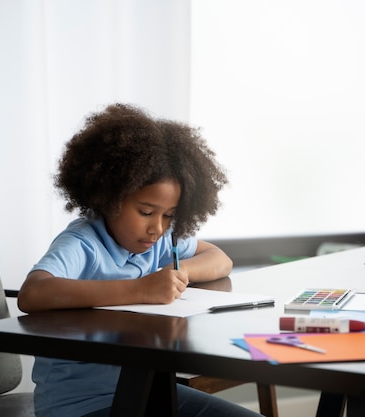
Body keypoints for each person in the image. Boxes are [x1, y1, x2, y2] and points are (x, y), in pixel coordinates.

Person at [17, 103, 261, 417]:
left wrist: (178, 270)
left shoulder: (159, 242)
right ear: (110, 196)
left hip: (150, 391)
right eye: (145, 212)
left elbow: (219, 259)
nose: (156, 227)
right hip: (81, 407)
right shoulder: (83, 242)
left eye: (169, 215)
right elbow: (33, 293)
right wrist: (141, 289)